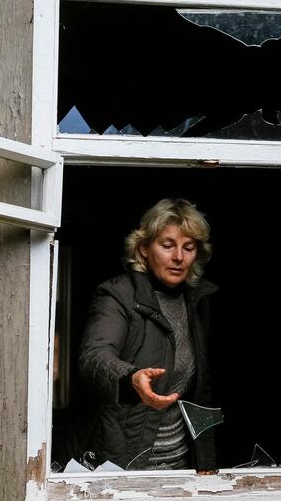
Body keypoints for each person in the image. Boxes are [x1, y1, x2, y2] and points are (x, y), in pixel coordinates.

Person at [78, 198, 218, 471]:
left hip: (182, 463)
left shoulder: (198, 302)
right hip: (126, 463)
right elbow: (94, 356)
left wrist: (206, 463)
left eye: (188, 248)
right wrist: (130, 378)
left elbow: (204, 392)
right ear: (143, 249)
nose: (178, 257)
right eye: (167, 246)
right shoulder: (116, 295)